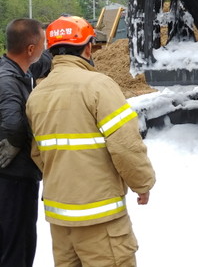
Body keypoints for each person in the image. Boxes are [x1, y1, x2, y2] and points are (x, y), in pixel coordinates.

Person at [26, 15, 155, 267]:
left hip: (60, 223)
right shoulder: (99, 85)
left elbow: (38, 154)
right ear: (87, 47)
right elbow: (125, 144)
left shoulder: (37, 94)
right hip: (101, 221)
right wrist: (142, 182)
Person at [0, 18, 49, 267]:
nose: (45, 47)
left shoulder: (16, 69)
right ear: (31, 49)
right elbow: (13, 124)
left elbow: (41, 65)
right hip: (14, 178)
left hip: (13, 178)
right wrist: (15, 143)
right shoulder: (9, 80)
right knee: (17, 246)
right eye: (44, 43)